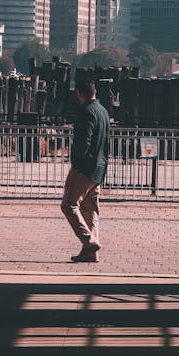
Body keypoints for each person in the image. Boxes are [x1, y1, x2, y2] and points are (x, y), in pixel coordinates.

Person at [61, 77, 110, 263]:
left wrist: (77, 163)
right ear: (94, 92)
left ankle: (89, 242)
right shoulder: (103, 111)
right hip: (99, 168)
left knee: (69, 205)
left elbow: (84, 141)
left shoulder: (86, 112)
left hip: (85, 168)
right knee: (91, 209)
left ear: (80, 94)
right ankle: (91, 252)